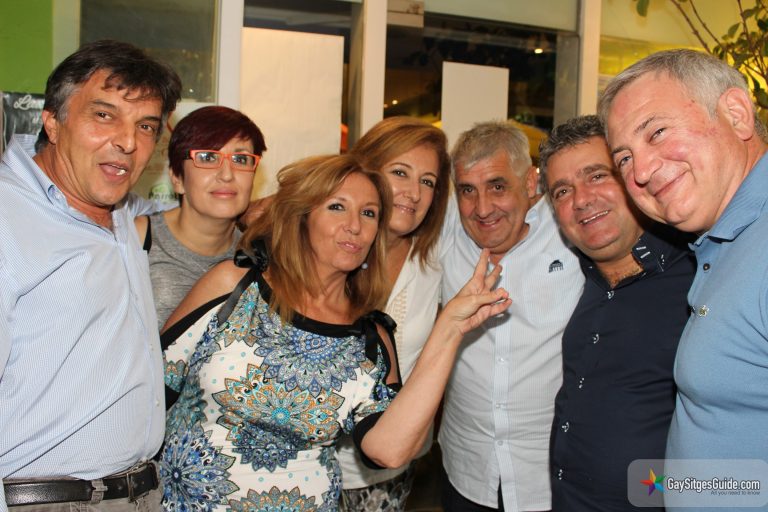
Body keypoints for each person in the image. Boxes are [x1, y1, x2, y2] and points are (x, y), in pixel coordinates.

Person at [159, 153, 511, 511]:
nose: (355, 226)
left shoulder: (370, 338)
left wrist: (450, 328)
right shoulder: (233, 288)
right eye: (337, 207)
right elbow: (154, 391)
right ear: (302, 218)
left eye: (369, 213)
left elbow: (388, 451)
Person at [0, 40, 181, 511]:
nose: (128, 141)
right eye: (104, 115)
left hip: (139, 494)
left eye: (146, 126)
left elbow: (199, 223)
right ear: (52, 121)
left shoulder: (125, 212)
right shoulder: (7, 214)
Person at [599, 49, 768, 510]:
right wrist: (661, 488)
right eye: (624, 158)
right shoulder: (723, 240)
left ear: (737, 114)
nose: (641, 172)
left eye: (656, 132)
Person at [538, 115, 695, 511]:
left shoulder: (699, 282)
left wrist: (659, 493)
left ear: (632, 176)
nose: (581, 200)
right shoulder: (580, 278)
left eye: (596, 176)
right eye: (562, 191)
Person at [438, 120, 585, 512]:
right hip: (466, 467)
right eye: (467, 190)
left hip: (549, 474)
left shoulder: (571, 230)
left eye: (498, 186)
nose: (482, 208)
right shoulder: (446, 231)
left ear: (531, 182)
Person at [335, 116, 450, 511]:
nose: (414, 193)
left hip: (390, 473)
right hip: (307, 466)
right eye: (400, 172)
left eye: (428, 181)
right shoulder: (325, 247)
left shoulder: (435, 260)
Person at [135, 106, 266, 328]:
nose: (227, 174)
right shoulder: (138, 238)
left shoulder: (259, 256)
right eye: (208, 157)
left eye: (241, 159)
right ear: (177, 178)